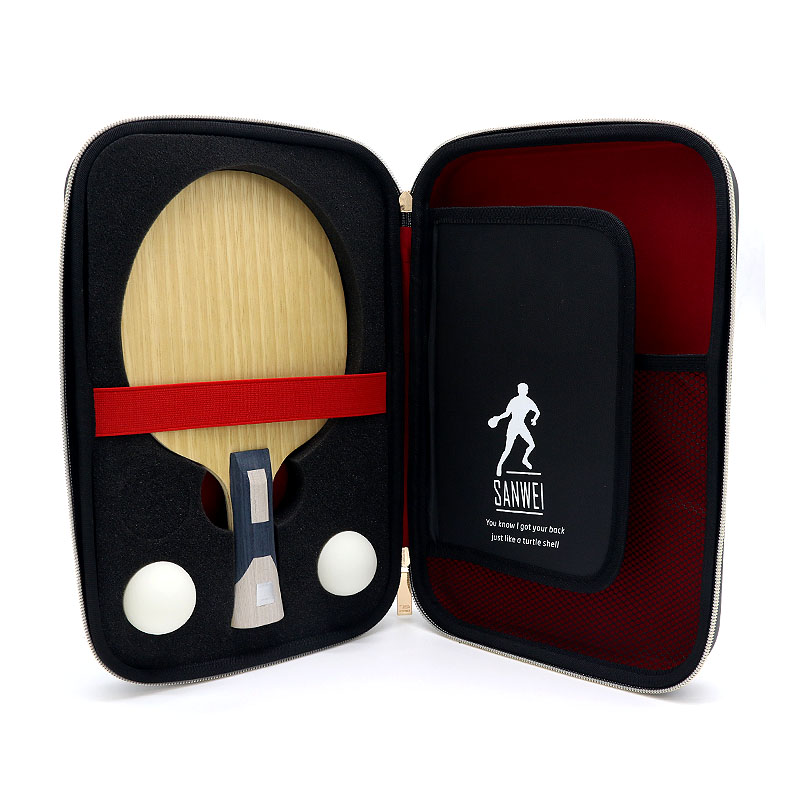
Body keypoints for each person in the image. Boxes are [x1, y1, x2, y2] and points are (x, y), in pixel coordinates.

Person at [488, 383, 540, 477]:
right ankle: (499, 465)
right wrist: (498, 418)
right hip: (513, 425)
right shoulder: (514, 400)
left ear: (527, 391)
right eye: (521, 389)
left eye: (524, 389)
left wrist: (534, 419)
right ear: (518, 390)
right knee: (507, 449)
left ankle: (524, 459)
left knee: (532, 445)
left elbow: (537, 412)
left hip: (522, 425)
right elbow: (507, 413)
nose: (522, 391)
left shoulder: (529, 402)